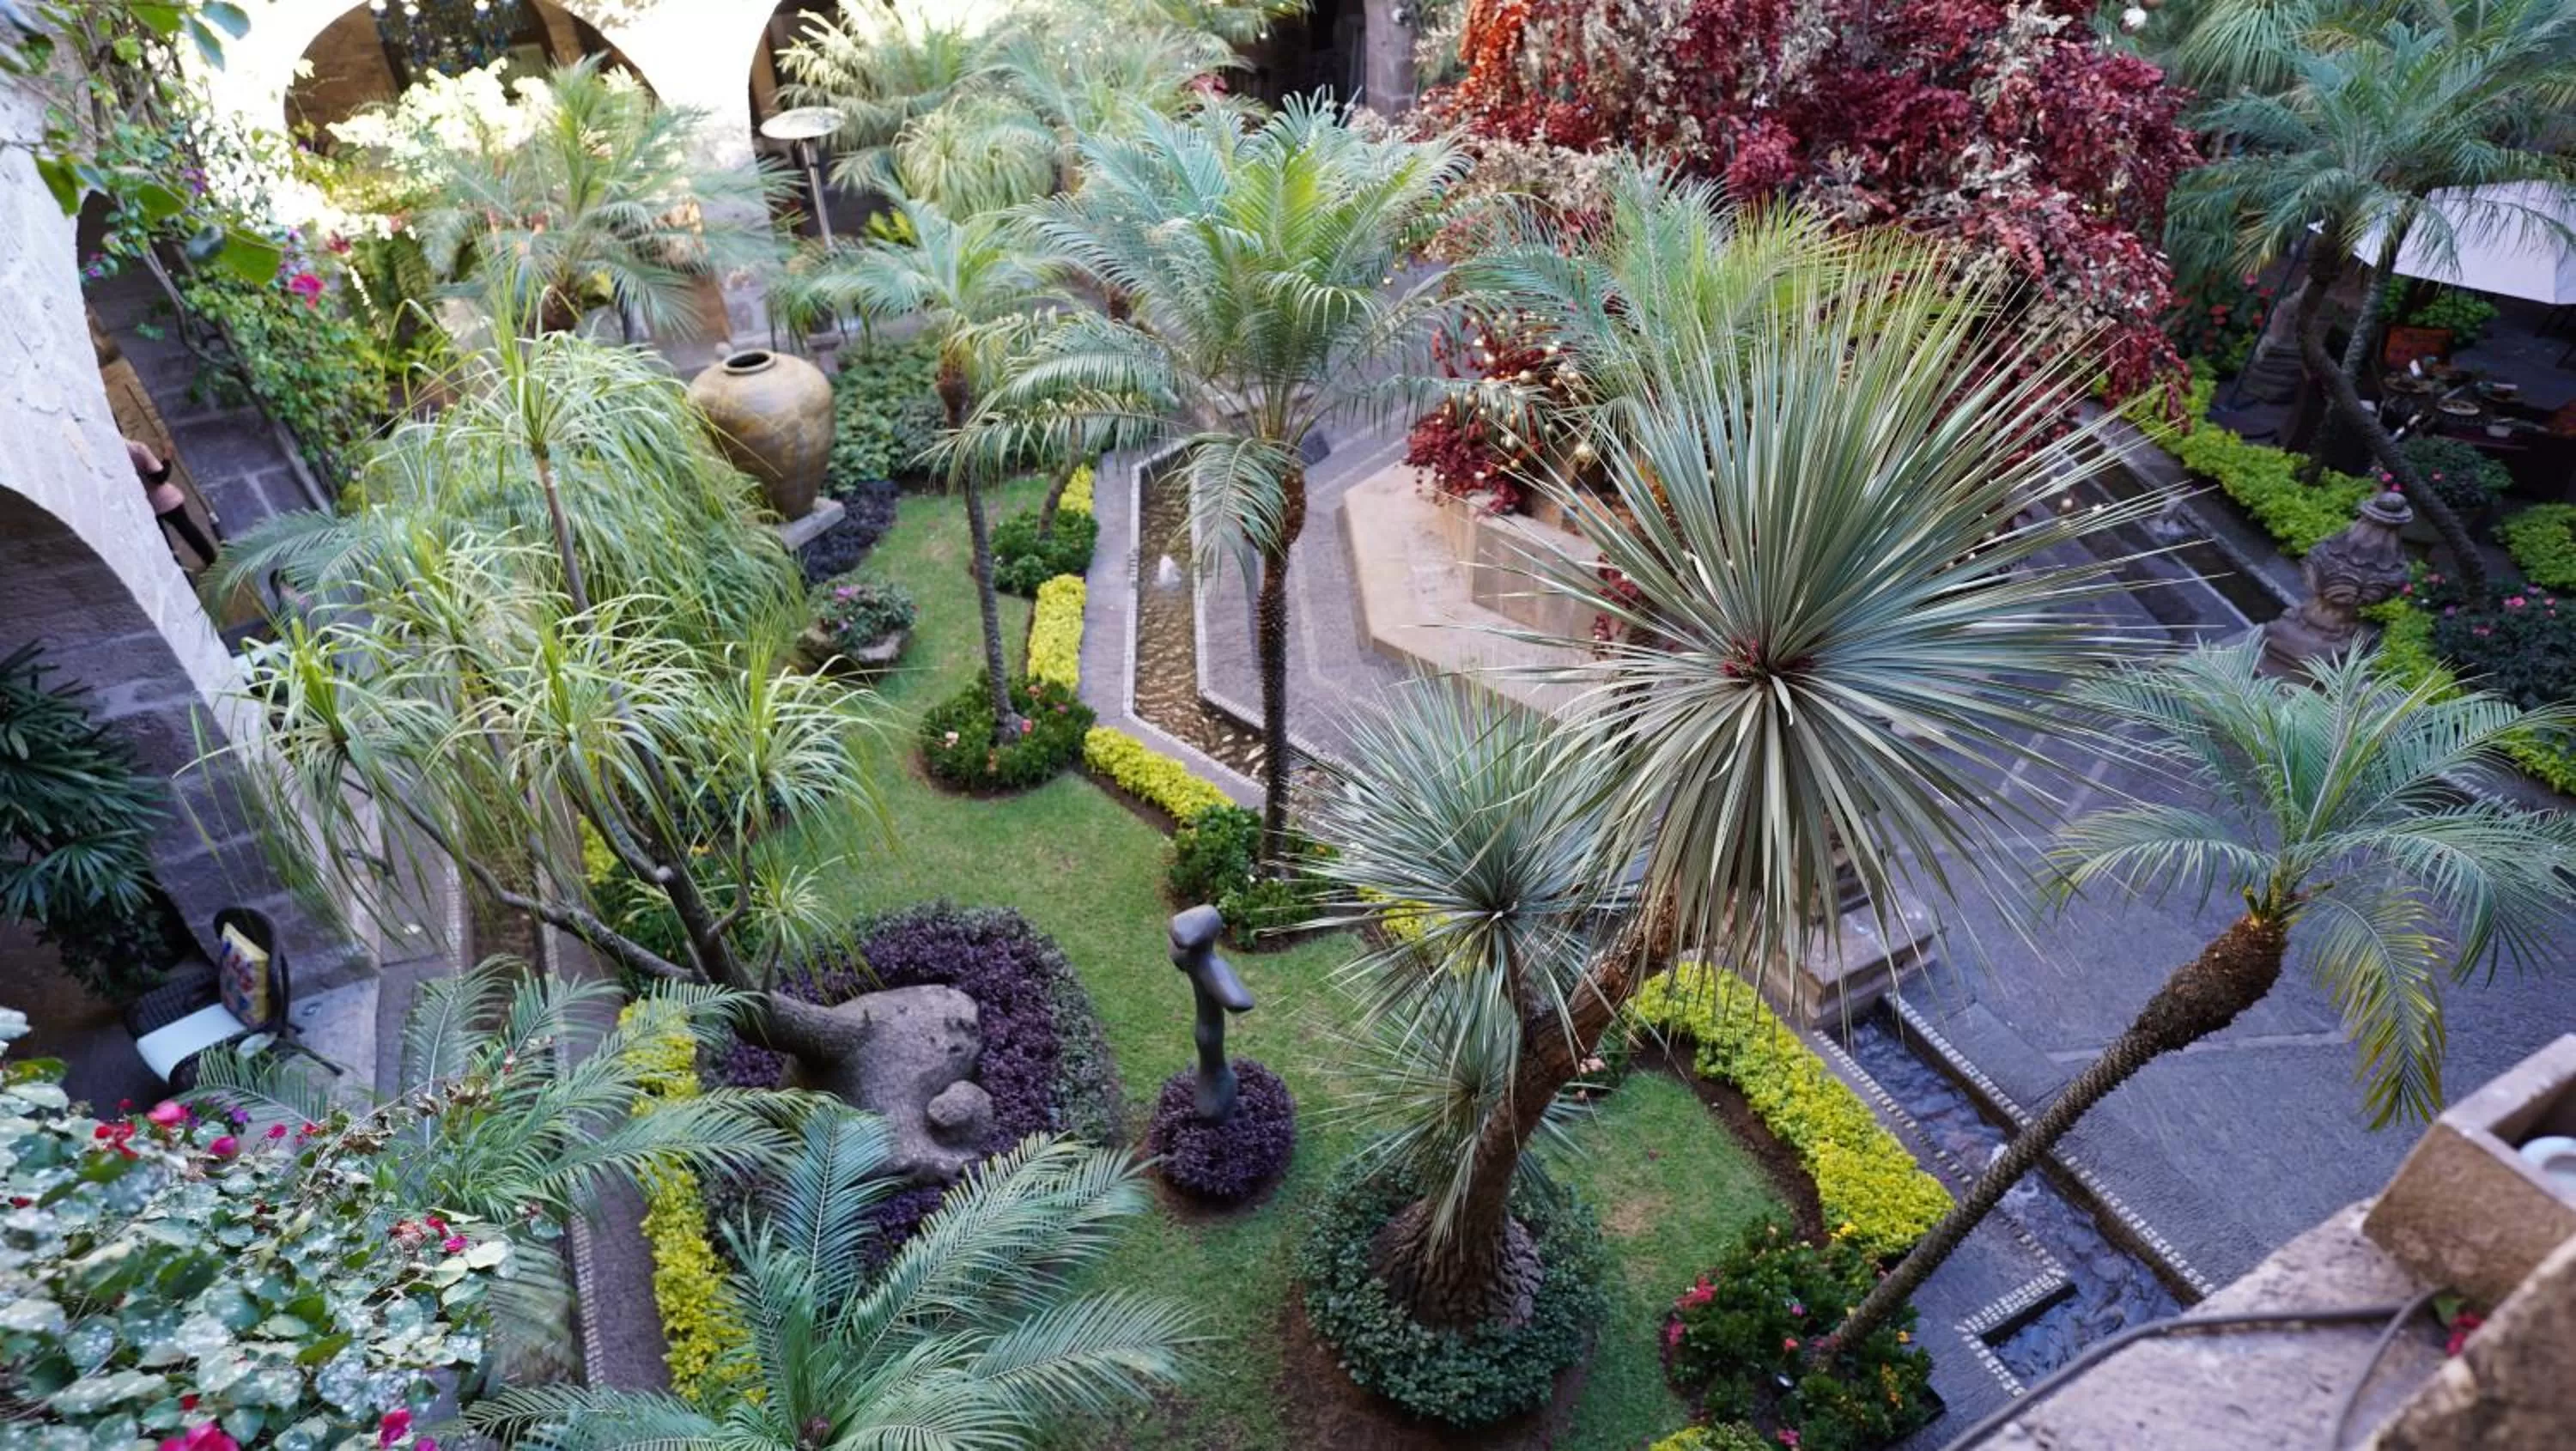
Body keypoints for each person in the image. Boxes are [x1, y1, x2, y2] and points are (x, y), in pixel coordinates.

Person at [126, 439, 220, 569]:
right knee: (188, 531)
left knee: (162, 541)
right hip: (163, 500)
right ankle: (212, 562)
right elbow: (159, 477)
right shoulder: (136, 449)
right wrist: (168, 455)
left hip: (141, 504)